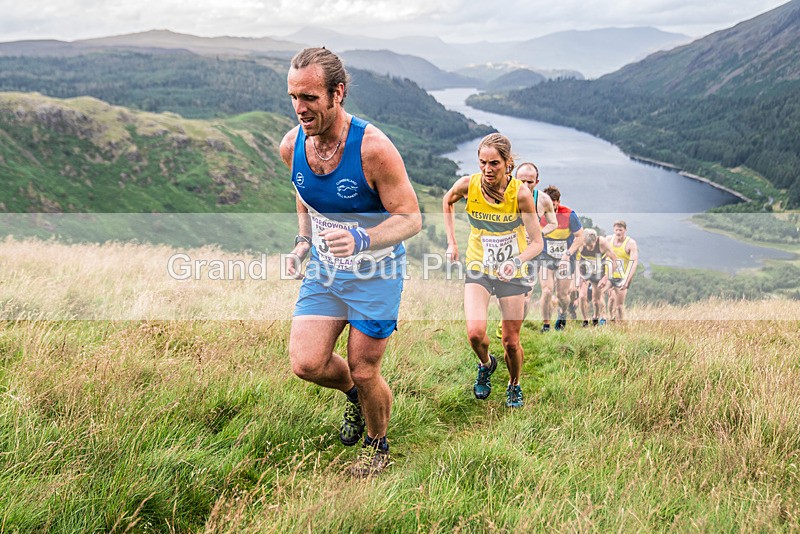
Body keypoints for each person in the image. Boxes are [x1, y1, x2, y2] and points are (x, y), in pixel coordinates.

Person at [279, 47, 422, 477]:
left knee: (364, 369)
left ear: (337, 93)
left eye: (309, 98)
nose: (300, 109)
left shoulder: (373, 149)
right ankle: (353, 401)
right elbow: (304, 193)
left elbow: (411, 219)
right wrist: (304, 242)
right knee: (307, 363)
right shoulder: (292, 146)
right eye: (293, 97)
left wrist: (362, 237)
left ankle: (378, 449)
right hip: (325, 271)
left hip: (376, 274)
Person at [443, 134, 543, 408]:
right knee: (475, 333)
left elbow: (537, 242)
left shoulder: (520, 194)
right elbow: (447, 200)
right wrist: (452, 242)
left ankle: (514, 384)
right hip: (479, 266)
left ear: (508, 163)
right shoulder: (468, 185)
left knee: (511, 341)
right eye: (483, 163)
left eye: (494, 164)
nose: (487, 169)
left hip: (512, 271)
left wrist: (516, 262)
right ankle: (486, 364)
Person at [494, 162, 557, 339]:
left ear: (537, 182)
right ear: (514, 178)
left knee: (526, 296)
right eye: (522, 181)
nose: (526, 185)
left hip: (530, 253)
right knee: (502, 295)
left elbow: (553, 223)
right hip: (507, 250)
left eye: (530, 182)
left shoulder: (543, 200)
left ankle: (515, 329)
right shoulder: (504, 194)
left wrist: (539, 233)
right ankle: (506, 318)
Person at [537, 185, 584, 332]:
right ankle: (546, 325)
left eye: (553, 203)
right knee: (546, 291)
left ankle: (563, 313)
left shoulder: (570, 214)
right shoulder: (539, 214)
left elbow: (580, 237)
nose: (550, 206)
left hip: (565, 258)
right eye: (548, 203)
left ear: (558, 202)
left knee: (562, 295)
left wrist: (568, 254)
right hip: (546, 255)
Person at [575, 228, 617, 326]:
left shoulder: (602, 242)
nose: (589, 248)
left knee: (596, 299)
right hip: (584, 271)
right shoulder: (579, 242)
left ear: (596, 240)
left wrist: (606, 277)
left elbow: (615, 260)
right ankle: (585, 320)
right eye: (587, 246)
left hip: (598, 273)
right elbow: (575, 260)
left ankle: (595, 317)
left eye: (591, 246)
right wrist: (579, 275)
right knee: (582, 296)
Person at [607, 219, 639, 322]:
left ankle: (621, 324)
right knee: (610, 298)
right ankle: (610, 319)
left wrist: (627, 280)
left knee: (619, 305)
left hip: (622, 277)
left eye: (620, 230)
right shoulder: (608, 239)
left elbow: (634, 262)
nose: (618, 232)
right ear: (613, 230)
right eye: (616, 230)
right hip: (609, 275)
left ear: (625, 230)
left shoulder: (630, 243)